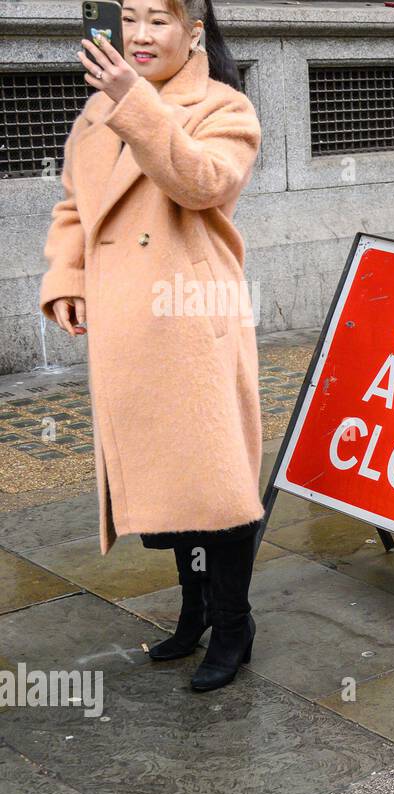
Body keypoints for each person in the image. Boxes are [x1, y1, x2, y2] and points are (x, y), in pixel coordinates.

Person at [40, 0, 263, 692]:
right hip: (129, 325)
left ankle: (234, 623)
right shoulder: (98, 108)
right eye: (128, 16)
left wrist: (131, 102)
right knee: (167, 486)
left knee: (215, 487)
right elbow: (75, 203)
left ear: (193, 33)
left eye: (159, 20)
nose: (139, 34)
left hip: (195, 321)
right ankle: (193, 609)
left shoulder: (224, 106)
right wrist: (68, 276)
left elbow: (203, 183)